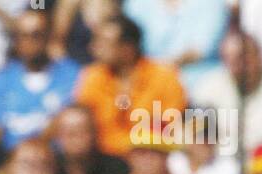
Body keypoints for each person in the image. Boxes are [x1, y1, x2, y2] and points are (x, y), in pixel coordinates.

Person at [75, 15, 186, 158]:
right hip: (103, 160)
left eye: (104, 42)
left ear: (127, 48)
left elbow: (168, 126)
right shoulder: (92, 77)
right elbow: (88, 127)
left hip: (152, 156)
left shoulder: (164, 76)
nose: (94, 47)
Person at [0, 6, 80, 152]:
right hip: (12, 160)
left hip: (58, 162)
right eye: (23, 35)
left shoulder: (72, 75)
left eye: (36, 35)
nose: (30, 42)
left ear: (48, 36)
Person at [51, 103, 129, 174]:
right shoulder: (49, 168)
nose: (74, 137)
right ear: (57, 136)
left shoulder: (118, 169)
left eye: (81, 130)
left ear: (94, 132)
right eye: (67, 131)